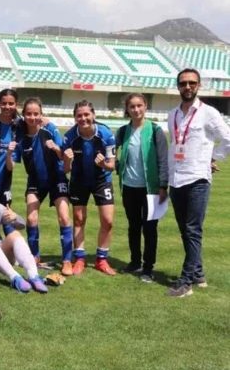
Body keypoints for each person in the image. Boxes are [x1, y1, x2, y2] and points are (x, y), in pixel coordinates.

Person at [166, 69, 230, 297]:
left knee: (193, 230)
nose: (187, 87)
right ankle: (199, 274)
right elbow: (175, 145)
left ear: (199, 85)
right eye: (183, 83)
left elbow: (228, 138)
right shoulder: (172, 114)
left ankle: (185, 283)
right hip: (176, 179)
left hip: (197, 179)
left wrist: (212, 158)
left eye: (192, 83)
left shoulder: (208, 113)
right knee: (185, 231)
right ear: (178, 86)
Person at [7, 98, 73, 275]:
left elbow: (63, 156)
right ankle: (34, 256)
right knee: (31, 218)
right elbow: (12, 163)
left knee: (64, 217)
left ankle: (67, 260)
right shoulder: (20, 137)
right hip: (35, 181)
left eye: (36, 113)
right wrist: (9, 153)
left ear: (41, 114)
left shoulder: (50, 130)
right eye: (29, 113)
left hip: (57, 178)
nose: (32, 117)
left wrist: (56, 148)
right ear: (24, 114)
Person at [115, 93, 168, 283]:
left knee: (150, 228)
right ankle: (135, 262)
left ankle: (148, 268)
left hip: (151, 189)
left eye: (139, 105)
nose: (136, 110)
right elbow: (111, 152)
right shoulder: (123, 131)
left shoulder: (155, 130)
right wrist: (117, 166)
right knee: (133, 226)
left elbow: (163, 159)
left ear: (145, 106)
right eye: (132, 106)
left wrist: (163, 185)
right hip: (129, 187)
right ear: (127, 109)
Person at [62, 100, 117, 276]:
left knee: (108, 221)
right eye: (79, 115)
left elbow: (112, 165)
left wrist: (103, 165)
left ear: (93, 115)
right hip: (79, 180)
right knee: (79, 219)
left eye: (86, 114)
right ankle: (79, 259)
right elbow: (65, 170)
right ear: (75, 117)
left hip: (102, 179)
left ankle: (102, 259)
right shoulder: (69, 137)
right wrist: (67, 160)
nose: (83, 118)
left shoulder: (106, 134)